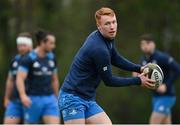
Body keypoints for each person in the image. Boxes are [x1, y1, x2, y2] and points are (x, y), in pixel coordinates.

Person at [58, 7, 155, 124]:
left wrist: (139, 68)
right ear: (99, 27)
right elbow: (109, 80)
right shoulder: (99, 49)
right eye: (107, 24)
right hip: (71, 98)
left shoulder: (107, 37)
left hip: (87, 99)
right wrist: (138, 81)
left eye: (114, 22)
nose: (112, 27)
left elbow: (115, 58)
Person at [133, 34, 180, 124]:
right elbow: (139, 75)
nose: (145, 46)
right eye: (142, 44)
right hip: (155, 97)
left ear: (153, 44)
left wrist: (166, 85)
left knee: (154, 122)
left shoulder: (162, 57)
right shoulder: (143, 59)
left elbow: (178, 69)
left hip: (167, 96)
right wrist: (137, 76)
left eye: (147, 43)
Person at [16, 30, 60, 124]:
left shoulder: (52, 58)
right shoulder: (28, 58)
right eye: (51, 43)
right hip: (32, 99)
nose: (53, 46)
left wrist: (56, 97)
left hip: (49, 99)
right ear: (42, 42)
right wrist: (23, 95)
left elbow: (54, 79)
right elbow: (19, 78)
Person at [4, 32, 33, 124]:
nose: (21, 48)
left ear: (30, 45)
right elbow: (10, 80)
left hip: (31, 100)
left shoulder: (36, 59)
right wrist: (7, 98)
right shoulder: (15, 60)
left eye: (23, 45)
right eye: (19, 45)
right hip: (15, 101)